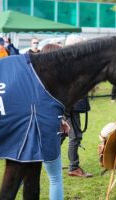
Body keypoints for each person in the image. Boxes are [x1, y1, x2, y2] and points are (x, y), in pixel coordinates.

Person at [60, 35, 93, 178]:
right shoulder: (70, 62)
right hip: (71, 105)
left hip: (70, 104)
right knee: (75, 136)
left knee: (61, 134)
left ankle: (50, 159)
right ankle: (74, 167)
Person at [40, 43, 68, 200]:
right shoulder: (56, 82)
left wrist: (61, 120)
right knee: (56, 178)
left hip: (28, 136)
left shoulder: (33, 78)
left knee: (20, 177)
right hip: (46, 134)